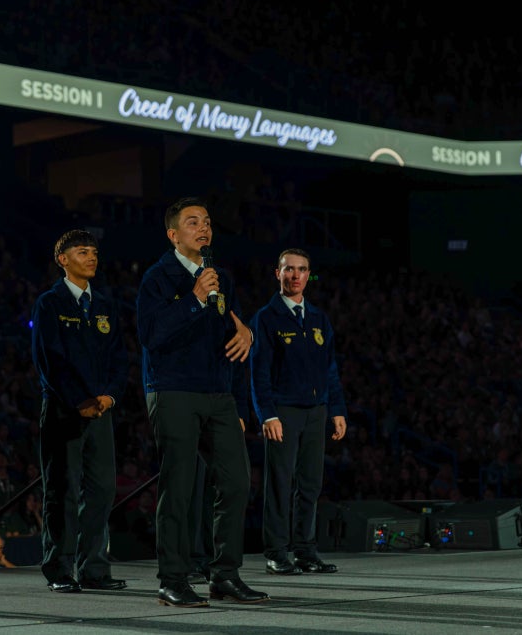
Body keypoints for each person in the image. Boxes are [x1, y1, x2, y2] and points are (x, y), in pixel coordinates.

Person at [136, 196, 267, 607]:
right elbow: (151, 335)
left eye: (207, 222)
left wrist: (248, 335)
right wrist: (193, 298)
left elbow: (239, 333)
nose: (204, 228)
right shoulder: (157, 278)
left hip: (220, 395)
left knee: (236, 480)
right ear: (174, 234)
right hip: (173, 390)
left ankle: (224, 575)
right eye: (193, 222)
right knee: (178, 487)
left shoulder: (221, 277)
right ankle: (172, 579)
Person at [31, 229, 128, 593]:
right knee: (63, 490)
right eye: (82, 251)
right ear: (63, 259)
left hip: (102, 412)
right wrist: (79, 400)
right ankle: (59, 568)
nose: (92, 258)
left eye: (94, 252)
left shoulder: (105, 305)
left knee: (102, 490)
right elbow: (49, 360)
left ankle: (94, 568)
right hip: (63, 411)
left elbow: (120, 357)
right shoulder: (50, 303)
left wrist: (110, 397)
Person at [250, 251, 347, 574]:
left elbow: (330, 369)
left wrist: (337, 409)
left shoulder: (318, 318)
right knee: (279, 482)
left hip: (316, 411)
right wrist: (267, 414)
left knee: (309, 484)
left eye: (302, 270)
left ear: (308, 275)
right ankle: (277, 552)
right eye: (289, 269)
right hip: (284, 412)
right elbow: (258, 371)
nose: (295, 275)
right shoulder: (266, 318)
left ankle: (306, 550)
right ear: (277, 273)